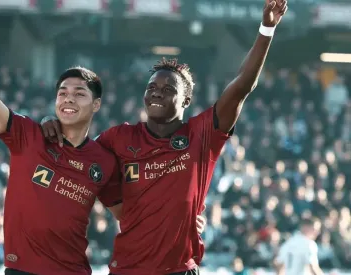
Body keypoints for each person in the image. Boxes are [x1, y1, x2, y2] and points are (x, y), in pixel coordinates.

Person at [41, 0, 288, 274]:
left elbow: (242, 85)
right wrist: (52, 122)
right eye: (151, 87)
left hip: (180, 269)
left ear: (186, 100)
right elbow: (76, 154)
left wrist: (266, 29)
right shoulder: (118, 138)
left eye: (168, 88)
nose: (157, 92)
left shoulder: (202, 135)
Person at [0, 9, 209, 275]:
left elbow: (130, 215)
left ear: (96, 104)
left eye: (79, 93)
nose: (68, 98)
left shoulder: (103, 160)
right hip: (22, 270)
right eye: (62, 92)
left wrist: (184, 220)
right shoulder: (27, 136)